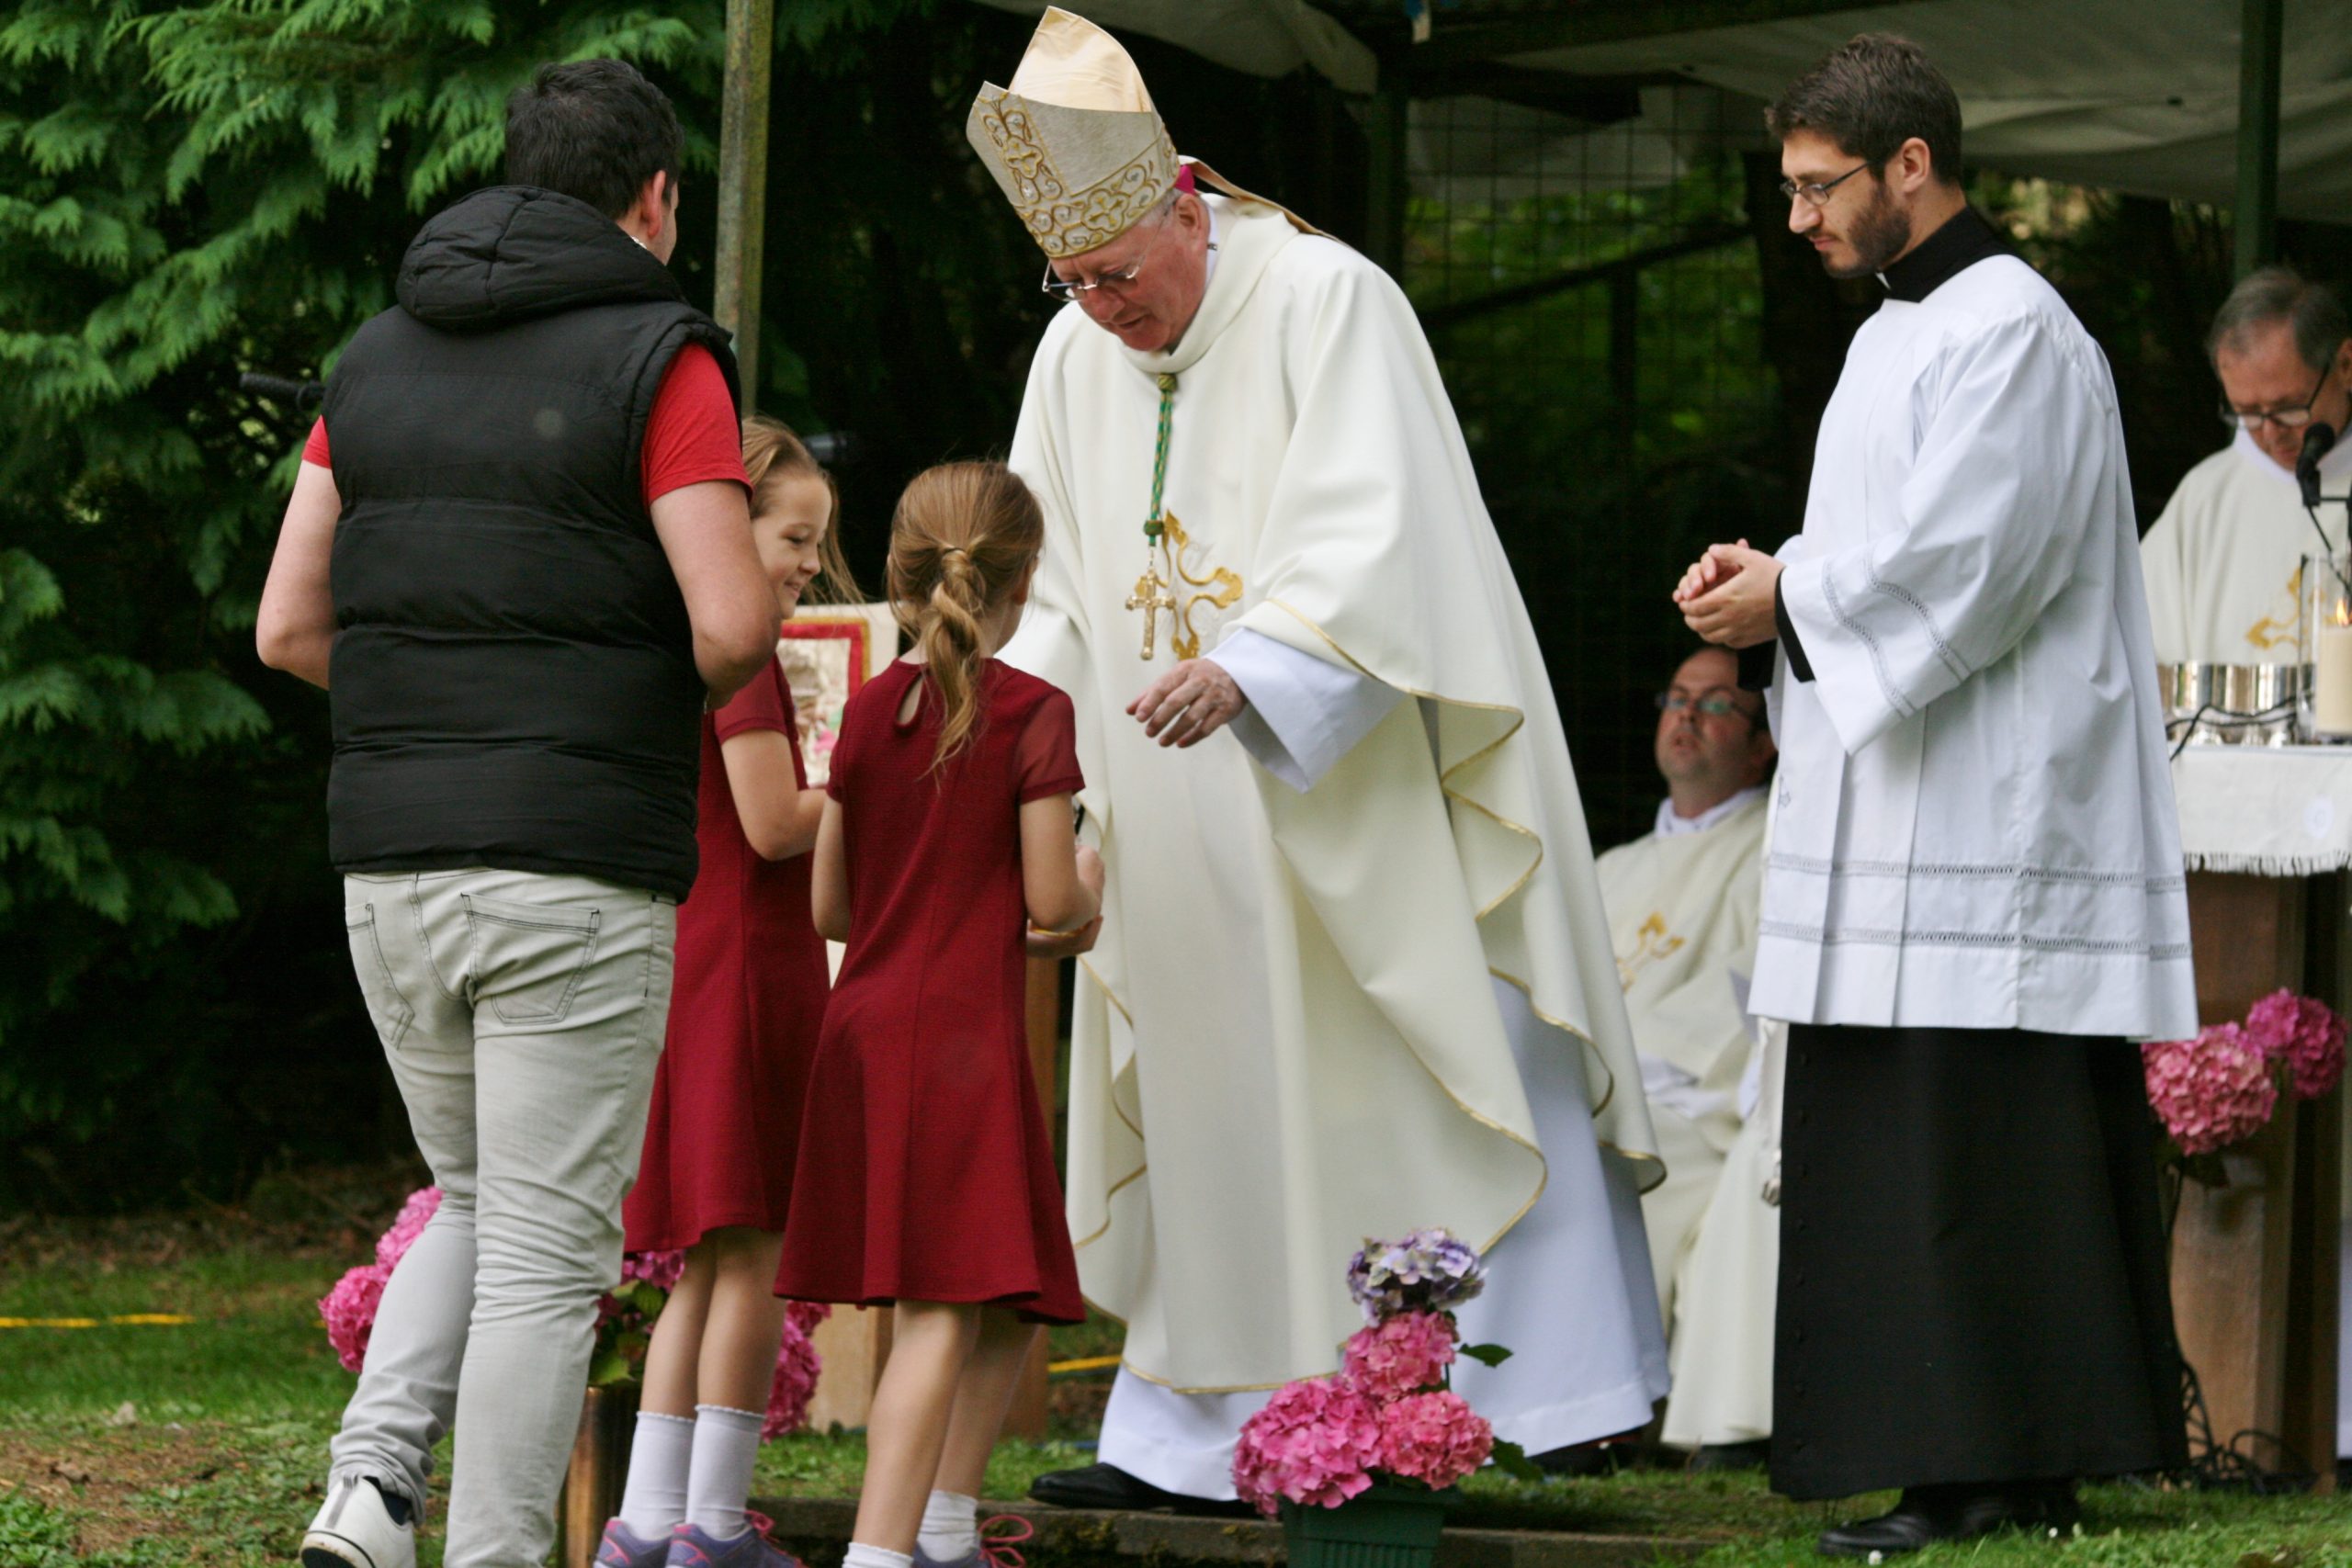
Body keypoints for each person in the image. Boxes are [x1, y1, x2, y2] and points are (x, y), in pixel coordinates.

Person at [968, 8, 1668, 1511]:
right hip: (1174, 829)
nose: (1103, 310)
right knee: (1222, 1114)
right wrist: (1017, 770)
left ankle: (1499, 1407)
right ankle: (1193, 1437)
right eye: (1070, 282)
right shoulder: (1072, 355)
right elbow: (1052, 592)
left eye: (1120, 274)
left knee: (1407, 1083)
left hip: (1351, 800)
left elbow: (1385, 529)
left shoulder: (1330, 299)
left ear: (1185, 195)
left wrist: (1262, 663)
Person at [1674, 34, 2194, 1557]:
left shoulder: (2012, 325)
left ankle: (2007, 1463)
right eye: (1789, 188)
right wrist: (1773, 589)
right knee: (1905, 1141)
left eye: (1820, 186)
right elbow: (1888, 553)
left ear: (1913, 165)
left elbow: (1974, 558)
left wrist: (1796, 595)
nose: (1800, 219)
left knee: (1987, 1143)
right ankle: (1939, 1461)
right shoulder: (1897, 332)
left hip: (1987, 816)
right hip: (1893, 802)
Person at [255, 59, 779, 1568]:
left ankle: (366, 1491)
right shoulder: (661, 358)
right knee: (553, 1250)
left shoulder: (373, 357)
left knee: (477, 1194)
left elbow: (290, 629)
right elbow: (735, 625)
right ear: (655, 198)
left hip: (392, 868)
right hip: (571, 866)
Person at [775, 462, 1101, 1568]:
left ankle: (949, 1527)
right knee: (938, 1311)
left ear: (906, 579)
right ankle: (879, 1554)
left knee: (1012, 1285)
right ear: (1023, 585)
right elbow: (1054, 903)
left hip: (867, 1028)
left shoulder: (866, 712)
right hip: (958, 1038)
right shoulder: (1033, 713)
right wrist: (1088, 894)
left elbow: (831, 904)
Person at [597, 420, 854, 1568]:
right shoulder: (740, 654)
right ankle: (714, 1524)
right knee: (751, 1252)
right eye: (794, 535)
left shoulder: (663, 641)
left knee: (706, 1259)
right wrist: (875, 781)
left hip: (698, 958)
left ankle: (649, 1523)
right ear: (731, 523)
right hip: (751, 966)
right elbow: (770, 820)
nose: (807, 562)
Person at [1594, 647, 1775, 1468]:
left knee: (1613, 1156)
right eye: (1676, 698)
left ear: (1764, 743)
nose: (1687, 716)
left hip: (1700, 1106)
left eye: (1716, 705)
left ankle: (1604, 1407)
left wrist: (1628, 1067)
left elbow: (1756, 989)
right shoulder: (1608, 868)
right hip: (1605, 1089)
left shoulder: (1778, 848)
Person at [2142, 267, 2352, 665]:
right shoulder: (2206, 496)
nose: (2271, 434)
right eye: (2248, 413)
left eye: (2290, 408)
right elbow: (2141, 651)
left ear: (2345, 366)